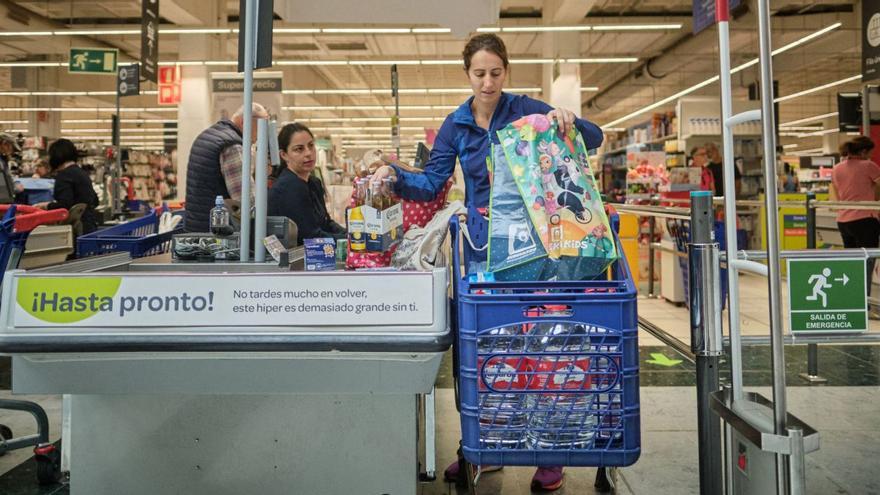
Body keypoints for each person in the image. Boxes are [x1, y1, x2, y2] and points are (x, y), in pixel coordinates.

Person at [371, 33, 603, 492]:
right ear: (467, 74)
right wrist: (392, 175)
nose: (488, 81)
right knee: (489, 353)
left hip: (540, 251)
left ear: (506, 71)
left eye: (496, 72)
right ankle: (483, 445)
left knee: (544, 346)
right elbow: (432, 183)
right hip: (483, 252)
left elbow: (591, 139)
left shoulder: (524, 108)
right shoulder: (457, 123)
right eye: (479, 73)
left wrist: (567, 119)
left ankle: (550, 451)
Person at [184, 103, 269, 232]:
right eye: (258, 132)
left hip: (197, 227)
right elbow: (247, 202)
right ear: (245, 123)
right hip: (217, 234)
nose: (256, 139)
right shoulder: (232, 146)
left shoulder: (210, 134)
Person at [268, 123, 345, 245]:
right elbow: (310, 237)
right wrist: (347, 241)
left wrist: (349, 235)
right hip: (297, 258)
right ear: (284, 155)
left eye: (311, 145)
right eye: (299, 149)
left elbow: (326, 223)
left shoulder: (314, 183)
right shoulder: (289, 187)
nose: (308, 153)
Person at [830, 136, 880, 297]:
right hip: (865, 219)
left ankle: (852, 299)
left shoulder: (837, 168)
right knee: (867, 260)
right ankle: (864, 300)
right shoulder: (868, 166)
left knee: (852, 261)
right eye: (869, 153)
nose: (870, 156)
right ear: (863, 151)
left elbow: (838, 195)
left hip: (844, 220)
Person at [34, 138, 99, 234]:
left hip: (74, 231)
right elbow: (95, 200)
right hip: (89, 227)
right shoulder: (82, 173)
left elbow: (65, 205)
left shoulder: (64, 176)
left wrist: (45, 205)